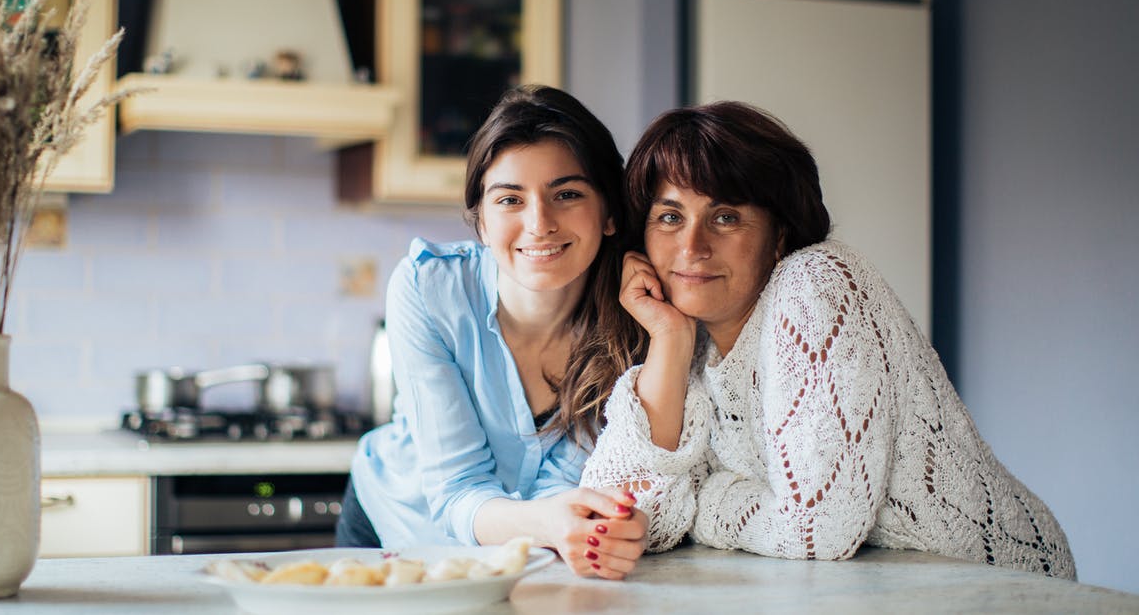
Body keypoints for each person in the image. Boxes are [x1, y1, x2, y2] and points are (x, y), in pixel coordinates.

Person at [581, 101, 1076, 579]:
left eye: (726, 216)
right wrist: (668, 341)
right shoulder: (691, 342)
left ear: (778, 236)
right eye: (670, 218)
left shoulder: (816, 283)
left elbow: (818, 531)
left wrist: (706, 500)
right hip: (882, 590)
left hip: (1002, 584)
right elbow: (616, 519)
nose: (692, 247)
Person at [340, 85, 648, 580]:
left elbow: (569, 493)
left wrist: (564, 522)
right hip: (397, 526)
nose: (539, 223)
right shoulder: (429, 288)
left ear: (609, 212)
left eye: (567, 194)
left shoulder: (636, 320)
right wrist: (550, 522)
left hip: (531, 552)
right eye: (510, 199)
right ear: (480, 221)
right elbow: (457, 488)